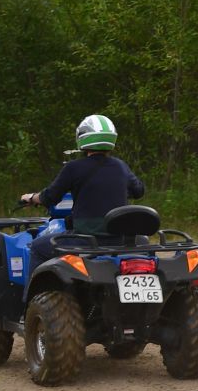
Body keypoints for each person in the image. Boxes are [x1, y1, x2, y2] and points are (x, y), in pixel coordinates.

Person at [17, 114, 145, 297]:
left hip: (86, 240)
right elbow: (139, 190)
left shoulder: (73, 168)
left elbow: (49, 197)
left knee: (37, 247)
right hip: (120, 240)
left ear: (82, 138)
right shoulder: (121, 167)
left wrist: (31, 197)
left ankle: (31, 303)